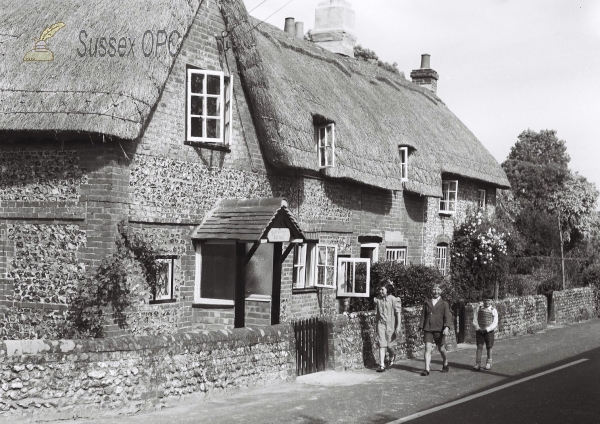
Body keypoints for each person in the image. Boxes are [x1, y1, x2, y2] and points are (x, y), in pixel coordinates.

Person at [419, 283, 452, 376]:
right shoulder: (427, 302)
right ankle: (427, 369)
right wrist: (421, 327)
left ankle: (445, 361)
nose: (436, 291)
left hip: (439, 329)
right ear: (431, 290)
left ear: (441, 291)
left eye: (438, 289)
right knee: (427, 348)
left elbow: (447, 317)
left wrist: (447, 327)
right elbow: (423, 316)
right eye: (434, 289)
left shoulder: (444, 303)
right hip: (428, 328)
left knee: (441, 348)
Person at [374, 283, 402, 372]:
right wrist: (377, 326)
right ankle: (381, 365)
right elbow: (378, 314)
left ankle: (391, 356)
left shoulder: (394, 299)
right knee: (382, 345)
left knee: (390, 346)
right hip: (381, 325)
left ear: (388, 290)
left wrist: (398, 326)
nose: (380, 291)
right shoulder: (379, 300)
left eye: (382, 289)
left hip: (391, 326)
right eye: (380, 289)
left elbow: (398, 314)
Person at [472, 291, 498, 371]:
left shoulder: (493, 310)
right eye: (485, 300)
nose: (487, 302)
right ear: (483, 300)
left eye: (489, 300)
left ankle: (489, 363)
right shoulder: (478, 308)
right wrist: (478, 328)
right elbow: (475, 319)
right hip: (480, 330)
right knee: (479, 346)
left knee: (489, 347)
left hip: (489, 332)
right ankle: (478, 363)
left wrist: (487, 329)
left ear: (492, 301)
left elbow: (495, 322)